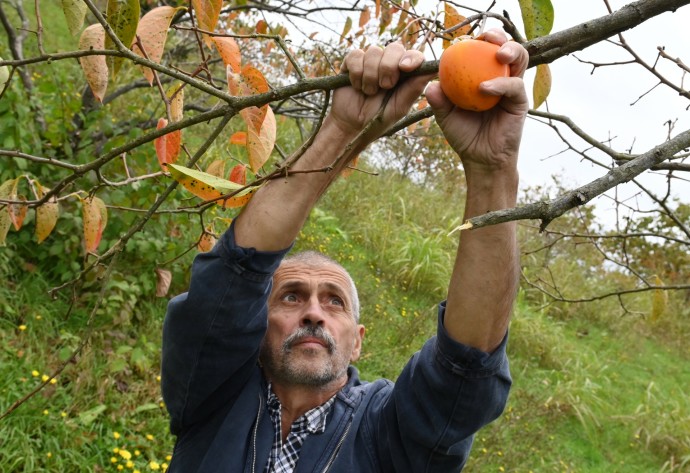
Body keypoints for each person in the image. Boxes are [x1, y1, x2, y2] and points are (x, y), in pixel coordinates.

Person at [161, 29, 529, 473]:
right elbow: (233, 277)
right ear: (255, 328)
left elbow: (464, 369)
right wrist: (342, 128)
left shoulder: (385, 432)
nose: (313, 313)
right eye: (291, 296)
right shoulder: (212, 394)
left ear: (357, 341)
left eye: (334, 302)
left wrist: (493, 171)